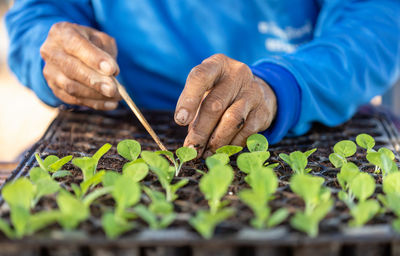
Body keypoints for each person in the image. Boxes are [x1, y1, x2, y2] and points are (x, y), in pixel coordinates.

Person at [5, 1, 400, 157]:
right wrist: (59, 55)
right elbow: (36, 16)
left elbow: (375, 23)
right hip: (114, 120)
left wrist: (281, 86)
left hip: (300, 114)